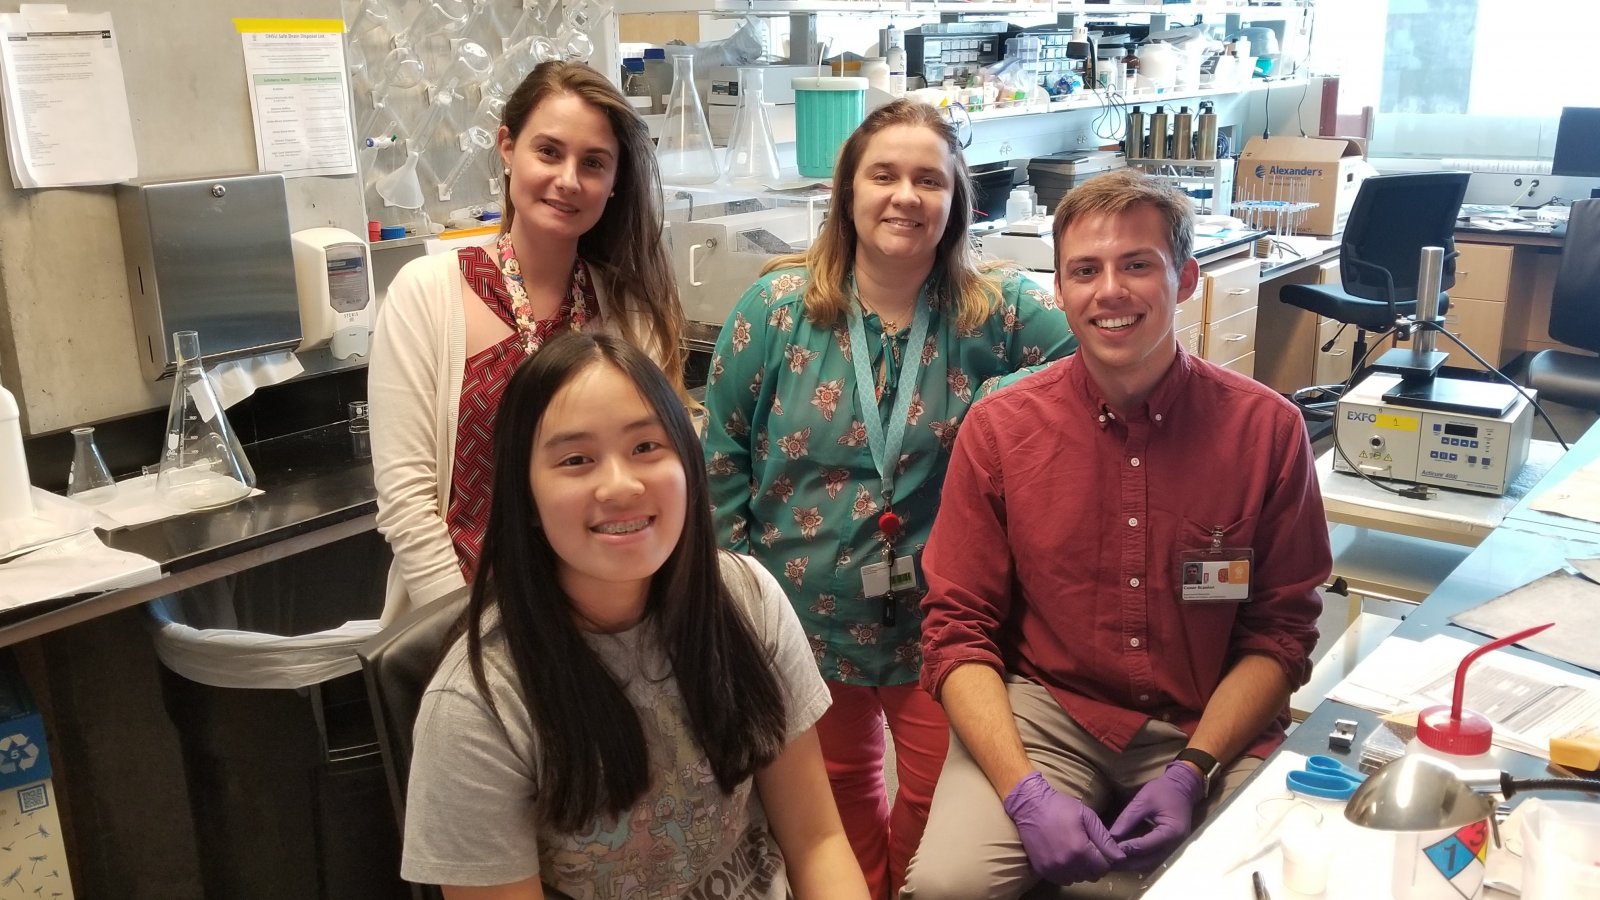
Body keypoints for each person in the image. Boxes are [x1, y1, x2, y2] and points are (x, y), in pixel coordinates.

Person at [905, 169, 1331, 898]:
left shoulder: (1266, 431)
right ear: (1060, 290)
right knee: (948, 886)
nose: (1110, 291)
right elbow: (956, 630)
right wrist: (1024, 793)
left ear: (1185, 279)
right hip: (1048, 710)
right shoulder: (1003, 429)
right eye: (1085, 271)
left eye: (1137, 264)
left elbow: (1280, 634)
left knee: (1252, 887)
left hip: (1205, 718)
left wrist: (1193, 771)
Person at [702, 99, 1076, 899]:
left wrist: (999, 396)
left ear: (955, 202)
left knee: (940, 813)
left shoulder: (1001, 311)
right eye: (884, 175)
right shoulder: (774, 311)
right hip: (800, 624)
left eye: (928, 180)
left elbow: (1105, 354)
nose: (905, 195)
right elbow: (721, 459)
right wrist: (734, 609)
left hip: (947, 628)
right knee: (832, 814)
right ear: (847, 193)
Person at [402, 332, 869, 900]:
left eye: (647, 447)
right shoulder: (479, 706)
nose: (621, 485)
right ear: (524, 497)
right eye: (576, 460)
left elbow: (816, 840)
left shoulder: (748, 600)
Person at [369, 60, 687, 625]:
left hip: (608, 617)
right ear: (507, 148)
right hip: (468, 619)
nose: (569, 179)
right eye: (549, 152)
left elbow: (655, 477)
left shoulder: (629, 307)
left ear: (615, 182)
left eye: (593, 163)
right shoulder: (428, 294)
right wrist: (476, 638)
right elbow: (408, 507)